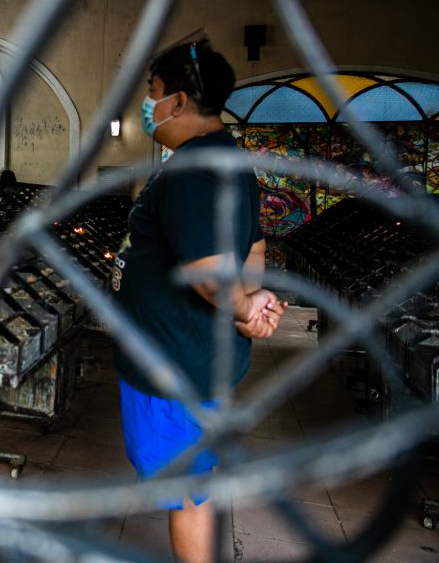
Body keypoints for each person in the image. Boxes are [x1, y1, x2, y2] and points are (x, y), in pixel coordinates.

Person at [110, 40, 287, 563]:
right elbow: (254, 242)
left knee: (184, 489)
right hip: (194, 358)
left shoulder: (190, 168)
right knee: (195, 478)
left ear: (180, 102)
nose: (149, 103)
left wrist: (242, 307)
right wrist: (250, 302)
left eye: (154, 92)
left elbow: (209, 276)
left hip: (173, 364)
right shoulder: (229, 158)